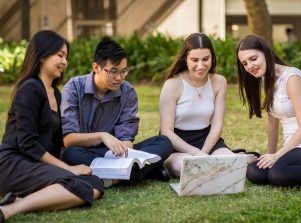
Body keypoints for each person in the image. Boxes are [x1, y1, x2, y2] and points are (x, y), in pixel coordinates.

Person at [0, 30, 104, 223]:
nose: (64, 61)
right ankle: (9, 210)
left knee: (93, 184)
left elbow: (55, 144)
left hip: (35, 164)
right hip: (13, 164)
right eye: (59, 55)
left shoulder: (54, 93)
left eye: (66, 56)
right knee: (80, 183)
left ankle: (21, 199)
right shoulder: (29, 88)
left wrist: (70, 166)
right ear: (41, 56)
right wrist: (67, 169)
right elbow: (27, 144)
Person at [60, 37, 172, 186]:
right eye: (113, 71)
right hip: (85, 153)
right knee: (70, 154)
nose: (119, 78)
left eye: (124, 71)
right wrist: (102, 136)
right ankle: (144, 171)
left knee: (163, 142)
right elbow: (68, 140)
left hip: (117, 154)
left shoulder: (128, 91)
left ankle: (115, 175)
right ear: (96, 67)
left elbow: (126, 137)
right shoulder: (73, 88)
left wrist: (124, 151)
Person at [236, 34, 301, 189]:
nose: (249, 66)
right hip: (293, 145)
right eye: (245, 63)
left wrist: (277, 156)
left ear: (266, 53)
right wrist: (269, 156)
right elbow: (272, 124)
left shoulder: (292, 77)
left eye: (253, 58)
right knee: (256, 172)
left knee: (278, 173)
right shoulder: (265, 78)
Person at [160, 33, 258, 177]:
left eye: (206, 59)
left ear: (212, 57)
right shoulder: (172, 85)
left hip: (207, 140)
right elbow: (166, 131)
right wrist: (197, 154)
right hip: (177, 144)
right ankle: (235, 158)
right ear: (185, 59)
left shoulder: (219, 82)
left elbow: (217, 124)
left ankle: (231, 158)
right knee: (190, 169)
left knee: (227, 165)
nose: (201, 66)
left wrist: (204, 154)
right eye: (194, 60)